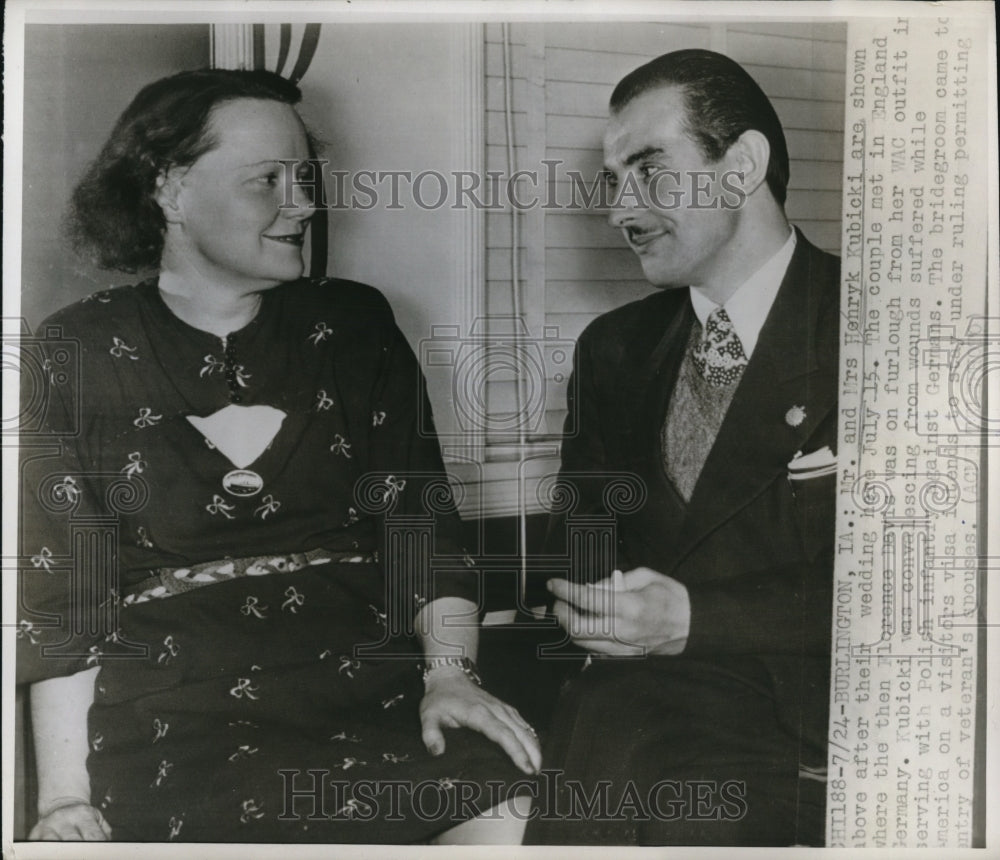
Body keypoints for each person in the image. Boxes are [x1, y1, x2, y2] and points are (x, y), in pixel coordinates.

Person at [16, 68, 539, 843]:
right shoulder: (75, 350)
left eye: (304, 176)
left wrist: (450, 677)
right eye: (268, 179)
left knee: (514, 798)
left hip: (371, 687)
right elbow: (66, 596)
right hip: (178, 715)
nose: (302, 203)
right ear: (169, 189)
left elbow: (423, 531)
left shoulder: (355, 325)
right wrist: (61, 798)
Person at [526, 49, 839, 846]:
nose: (619, 209)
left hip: (814, 736)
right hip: (635, 711)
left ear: (741, 167)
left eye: (649, 168)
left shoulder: (888, 326)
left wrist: (701, 619)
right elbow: (578, 543)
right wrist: (595, 607)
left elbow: (938, 600)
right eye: (613, 179)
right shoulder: (612, 349)